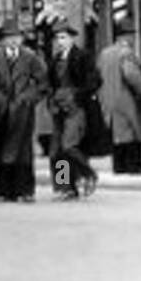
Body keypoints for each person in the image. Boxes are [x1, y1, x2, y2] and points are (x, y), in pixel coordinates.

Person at [0, 20, 48, 202]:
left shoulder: (30, 57)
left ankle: (25, 191)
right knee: (4, 150)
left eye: (17, 37)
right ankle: (4, 191)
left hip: (23, 111)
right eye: (9, 37)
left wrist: (29, 98)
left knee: (23, 151)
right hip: (2, 112)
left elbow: (43, 84)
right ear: (2, 40)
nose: (14, 41)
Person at [47, 22, 101, 200]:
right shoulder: (55, 59)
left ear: (71, 38)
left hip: (76, 108)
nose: (60, 41)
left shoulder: (83, 57)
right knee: (56, 151)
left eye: (63, 37)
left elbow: (95, 81)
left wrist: (78, 96)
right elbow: (51, 83)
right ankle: (65, 187)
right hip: (58, 107)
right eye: (57, 38)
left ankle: (88, 173)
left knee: (69, 145)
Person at [99, 16, 141, 174]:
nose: (134, 38)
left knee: (117, 134)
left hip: (108, 98)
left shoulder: (104, 53)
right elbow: (131, 75)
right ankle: (134, 166)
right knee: (132, 131)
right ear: (127, 36)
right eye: (133, 35)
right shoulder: (126, 53)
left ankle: (119, 165)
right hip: (125, 97)